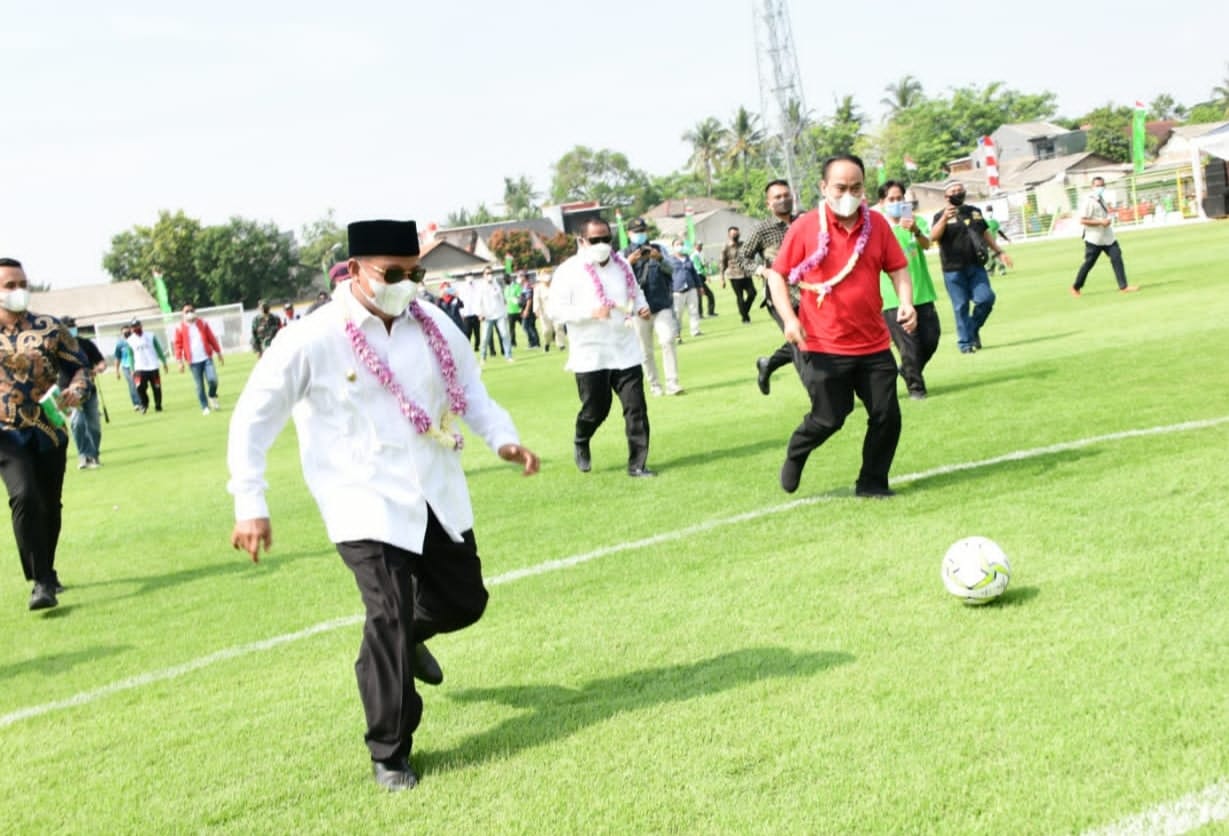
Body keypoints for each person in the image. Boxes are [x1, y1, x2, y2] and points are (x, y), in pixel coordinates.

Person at [227, 219, 540, 791]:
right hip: (360, 497)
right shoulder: (313, 337)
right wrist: (251, 501)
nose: (407, 284)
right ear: (354, 272)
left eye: (415, 273)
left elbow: (471, 392)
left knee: (465, 601)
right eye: (394, 274)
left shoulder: (435, 325)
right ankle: (390, 752)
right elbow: (254, 416)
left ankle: (402, 645)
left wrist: (503, 438)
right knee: (389, 614)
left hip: (433, 488)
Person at [763, 155, 916, 498]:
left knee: (887, 415)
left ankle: (872, 482)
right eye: (841, 187)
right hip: (822, 345)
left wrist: (905, 302)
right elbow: (778, 275)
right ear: (823, 188)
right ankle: (797, 451)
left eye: (856, 187)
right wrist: (789, 319)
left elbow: (897, 268)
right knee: (830, 417)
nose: (849, 194)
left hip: (873, 343)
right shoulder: (805, 228)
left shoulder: (876, 224)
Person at [0, 258, 88, 610]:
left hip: (49, 429)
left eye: (22, 283)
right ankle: (40, 582)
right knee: (24, 496)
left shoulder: (50, 328)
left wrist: (77, 389)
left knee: (50, 505)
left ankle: (47, 571)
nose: (18, 290)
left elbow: (78, 366)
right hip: (5, 433)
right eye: (9, 285)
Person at [547, 218, 655, 477]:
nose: (603, 244)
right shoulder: (568, 271)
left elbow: (635, 292)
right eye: (595, 240)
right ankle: (581, 438)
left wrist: (642, 306)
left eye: (607, 238)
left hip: (625, 349)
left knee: (636, 408)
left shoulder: (622, 267)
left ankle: (637, 465)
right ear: (582, 241)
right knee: (596, 409)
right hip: (590, 354)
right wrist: (590, 312)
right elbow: (555, 311)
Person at [930, 180, 1012, 354]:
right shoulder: (940, 215)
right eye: (954, 191)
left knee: (986, 299)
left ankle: (972, 328)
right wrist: (945, 218)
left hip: (975, 265)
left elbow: (985, 233)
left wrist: (999, 251)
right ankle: (965, 343)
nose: (958, 193)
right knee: (961, 306)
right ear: (946, 196)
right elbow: (934, 236)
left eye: (960, 190)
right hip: (952, 268)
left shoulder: (974, 212)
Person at [878, 181, 941, 400]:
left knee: (931, 339)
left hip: (922, 292)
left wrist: (914, 229)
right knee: (908, 347)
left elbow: (926, 244)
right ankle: (916, 389)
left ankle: (907, 370)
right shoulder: (879, 230)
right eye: (891, 199)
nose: (897, 203)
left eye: (900, 198)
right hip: (892, 298)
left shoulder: (917, 222)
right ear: (882, 203)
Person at [740, 179, 800, 394]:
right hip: (781, 295)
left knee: (816, 337)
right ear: (768, 204)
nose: (783, 200)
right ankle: (820, 398)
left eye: (786, 195)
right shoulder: (762, 230)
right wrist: (762, 271)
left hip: (810, 291)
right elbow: (742, 258)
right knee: (800, 342)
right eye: (777, 197)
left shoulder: (804, 221)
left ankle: (769, 363)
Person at [623, 217, 682, 396]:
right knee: (645, 350)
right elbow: (616, 280)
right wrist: (629, 263)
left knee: (667, 340)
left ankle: (673, 383)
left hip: (661, 304)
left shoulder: (659, 248)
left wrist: (660, 258)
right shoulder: (622, 255)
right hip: (638, 310)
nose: (640, 235)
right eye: (636, 232)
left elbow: (673, 269)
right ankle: (655, 385)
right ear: (629, 234)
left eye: (642, 231)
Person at [1071, 176, 1139, 296]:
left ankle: (1123, 286)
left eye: (1102, 185)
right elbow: (1082, 220)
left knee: (1116, 256)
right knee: (1089, 263)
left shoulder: (1101, 199)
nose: (1100, 188)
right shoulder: (1089, 200)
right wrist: (1101, 222)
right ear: (1092, 187)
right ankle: (1076, 287)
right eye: (1097, 186)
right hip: (1094, 238)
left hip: (1107, 237)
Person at [60, 317, 106, 469]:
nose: (71, 329)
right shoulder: (57, 347)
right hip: (68, 391)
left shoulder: (85, 344)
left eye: (72, 326)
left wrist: (98, 368)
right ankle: (84, 456)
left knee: (94, 426)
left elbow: (101, 361)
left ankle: (94, 455)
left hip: (88, 390)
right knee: (77, 423)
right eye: (68, 327)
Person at [172, 303, 225, 415]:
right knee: (199, 386)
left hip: (206, 358)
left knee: (213, 380)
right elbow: (178, 345)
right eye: (186, 311)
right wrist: (179, 361)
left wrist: (218, 352)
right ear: (183, 314)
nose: (189, 313)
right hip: (193, 361)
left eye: (191, 310)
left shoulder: (202, 323)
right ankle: (204, 406)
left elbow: (211, 338)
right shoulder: (180, 327)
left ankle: (212, 395)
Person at [127, 318, 169, 413]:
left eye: (137, 326)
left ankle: (158, 405)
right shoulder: (130, 340)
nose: (136, 328)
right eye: (134, 327)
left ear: (141, 326)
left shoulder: (150, 335)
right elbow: (130, 355)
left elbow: (158, 349)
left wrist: (164, 362)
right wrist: (132, 368)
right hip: (139, 367)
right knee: (140, 387)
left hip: (153, 366)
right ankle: (144, 404)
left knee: (156, 387)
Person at [475, 266, 513, 363]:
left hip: (499, 314)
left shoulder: (497, 284)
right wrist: (480, 313)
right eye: (487, 273)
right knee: (485, 338)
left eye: (490, 273)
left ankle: (508, 355)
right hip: (487, 316)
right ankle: (483, 357)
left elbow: (502, 300)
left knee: (505, 334)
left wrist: (505, 313)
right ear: (484, 275)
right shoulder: (480, 286)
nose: (489, 275)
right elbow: (478, 302)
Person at [668, 238, 702, 341]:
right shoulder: (669, 260)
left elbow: (694, 273)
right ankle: (677, 333)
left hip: (691, 288)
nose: (680, 246)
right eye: (678, 244)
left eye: (682, 244)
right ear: (673, 247)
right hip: (677, 290)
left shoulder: (688, 258)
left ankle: (695, 330)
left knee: (694, 310)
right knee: (678, 313)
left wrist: (699, 286)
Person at [721, 226, 755, 324]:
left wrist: (755, 270)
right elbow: (722, 262)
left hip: (746, 274)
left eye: (737, 233)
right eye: (733, 234)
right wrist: (722, 278)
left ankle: (743, 310)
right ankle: (745, 318)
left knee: (752, 293)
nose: (735, 235)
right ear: (729, 235)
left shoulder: (743, 244)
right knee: (740, 296)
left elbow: (750, 258)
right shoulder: (726, 247)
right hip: (734, 275)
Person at [533, 268, 566, 353]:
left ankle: (561, 344)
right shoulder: (538, 288)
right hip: (545, 312)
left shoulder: (557, 286)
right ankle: (547, 343)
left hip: (557, 310)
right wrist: (537, 310)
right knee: (547, 330)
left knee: (559, 327)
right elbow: (536, 300)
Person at [113, 324, 141, 409]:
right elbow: (117, 358)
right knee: (132, 383)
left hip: (137, 365)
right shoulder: (120, 344)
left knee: (140, 384)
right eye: (124, 333)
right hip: (126, 367)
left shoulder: (135, 340)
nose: (126, 334)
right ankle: (137, 403)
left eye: (128, 332)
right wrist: (117, 371)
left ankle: (142, 400)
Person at [983, 206, 1010, 276]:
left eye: (990, 210)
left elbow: (999, 231)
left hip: (993, 242)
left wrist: (1006, 238)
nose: (989, 212)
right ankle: (991, 270)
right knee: (990, 257)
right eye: (988, 211)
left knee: (995, 255)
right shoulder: (983, 221)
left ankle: (1000, 270)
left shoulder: (995, 222)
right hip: (985, 242)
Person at [692, 242, 717, 318]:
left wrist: (706, 265)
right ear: (695, 246)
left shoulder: (700, 254)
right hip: (698, 277)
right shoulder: (695, 255)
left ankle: (704, 313)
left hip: (700, 277)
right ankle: (705, 313)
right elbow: (698, 268)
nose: (700, 247)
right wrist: (707, 276)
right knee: (706, 295)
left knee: (703, 295)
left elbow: (702, 264)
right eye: (699, 245)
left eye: (701, 245)